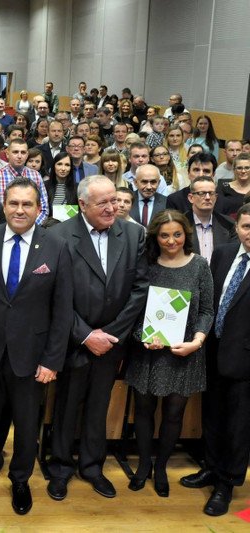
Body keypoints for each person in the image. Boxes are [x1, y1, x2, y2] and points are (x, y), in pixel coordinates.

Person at [0, 178, 73, 515]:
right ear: (3, 205)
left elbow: (63, 308)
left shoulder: (55, 245)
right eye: (14, 203)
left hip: (32, 356)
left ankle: (21, 479)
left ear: (39, 209)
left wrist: (52, 359)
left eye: (27, 204)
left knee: (27, 427)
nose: (20, 210)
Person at [47, 175, 149, 501]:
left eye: (114, 200)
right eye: (102, 202)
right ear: (82, 205)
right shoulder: (59, 236)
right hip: (74, 339)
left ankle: (92, 467)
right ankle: (60, 467)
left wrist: (112, 335)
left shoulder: (133, 234)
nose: (111, 207)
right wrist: (86, 334)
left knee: (98, 407)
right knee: (66, 406)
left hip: (112, 344)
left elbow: (140, 289)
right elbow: (55, 295)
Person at [124, 209, 213, 498]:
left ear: (186, 235)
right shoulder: (145, 265)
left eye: (177, 234)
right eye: (164, 235)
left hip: (184, 354)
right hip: (148, 352)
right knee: (144, 411)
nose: (171, 240)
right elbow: (133, 309)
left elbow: (207, 310)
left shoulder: (200, 265)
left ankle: (160, 468)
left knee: (174, 414)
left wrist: (197, 341)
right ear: (155, 237)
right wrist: (142, 337)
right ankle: (142, 468)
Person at [179, 204, 250, 516]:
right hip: (213, 350)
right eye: (247, 227)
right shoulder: (222, 253)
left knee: (238, 425)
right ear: (237, 227)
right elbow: (209, 300)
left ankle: (227, 483)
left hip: (245, 358)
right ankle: (210, 466)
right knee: (212, 416)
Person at [185, 176, 237, 263]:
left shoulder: (229, 224)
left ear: (216, 197)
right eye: (202, 193)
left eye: (211, 193)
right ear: (191, 198)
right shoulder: (180, 224)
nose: (208, 197)